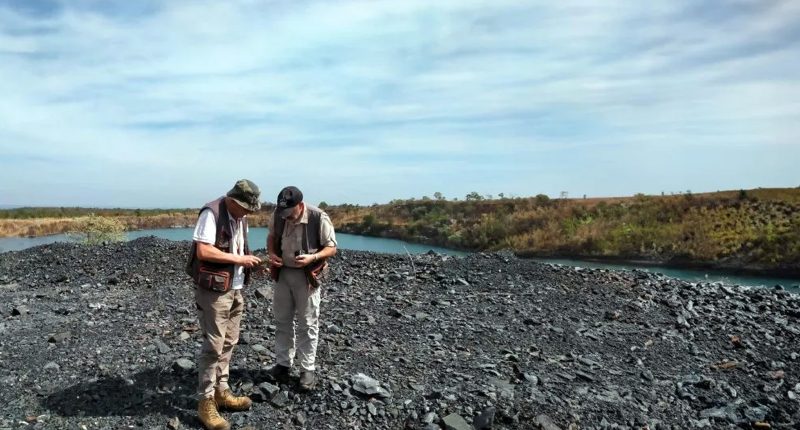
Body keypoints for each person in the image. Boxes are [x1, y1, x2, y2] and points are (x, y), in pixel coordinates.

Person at [186, 179, 263, 430]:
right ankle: (205, 402)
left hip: (235, 287)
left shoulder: (240, 217)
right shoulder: (212, 213)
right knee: (213, 346)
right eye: (245, 208)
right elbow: (204, 252)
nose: (247, 213)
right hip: (215, 291)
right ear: (232, 200)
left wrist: (250, 263)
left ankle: (221, 390)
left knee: (229, 341)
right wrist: (239, 259)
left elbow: (236, 249)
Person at [266, 186, 337, 390]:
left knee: (308, 323)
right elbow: (271, 236)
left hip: (307, 276)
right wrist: (272, 254)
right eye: (283, 212)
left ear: (300, 205)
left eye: (289, 212)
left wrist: (313, 257)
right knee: (282, 320)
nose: (286, 216)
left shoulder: (318, 217)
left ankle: (307, 369)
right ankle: (283, 364)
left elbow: (332, 247)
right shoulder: (278, 214)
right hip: (283, 274)